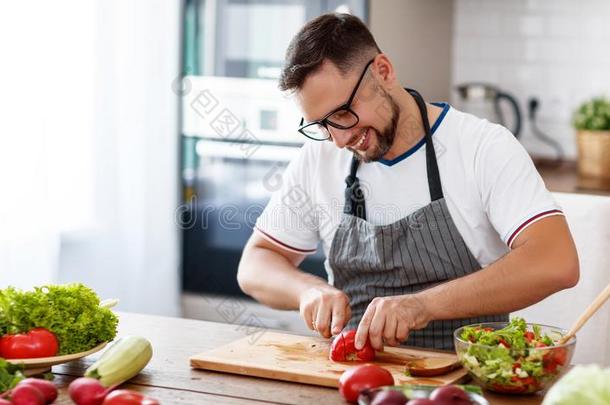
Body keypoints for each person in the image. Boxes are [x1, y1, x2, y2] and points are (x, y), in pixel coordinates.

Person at [237, 13, 579, 351]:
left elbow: (555, 262)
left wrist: (422, 306)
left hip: (465, 382)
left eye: (343, 113)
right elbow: (255, 264)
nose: (339, 140)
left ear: (383, 72)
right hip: (352, 378)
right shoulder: (319, 157)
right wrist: (307, 290)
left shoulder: (482, 147)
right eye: (322, 125)